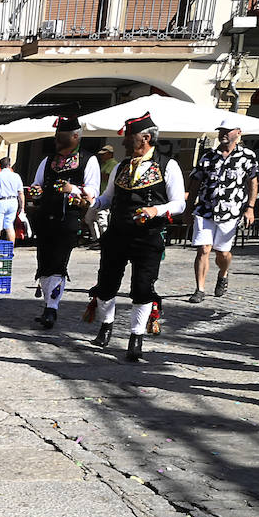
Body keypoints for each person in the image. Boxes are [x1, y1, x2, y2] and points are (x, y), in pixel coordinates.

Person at [86, 112, 186, 362]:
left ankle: (136, 336)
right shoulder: (121, 166)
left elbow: (179, 204)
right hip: (117, 233)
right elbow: (107, 198)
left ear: (145, 138)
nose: (123, 143)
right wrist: (90, 202)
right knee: (107, 284)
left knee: (142, 287)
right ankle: (106, 326)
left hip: (148, 235)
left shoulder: (167, 165)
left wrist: (156, 210)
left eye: (128, 138)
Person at [29, 116, 100, 329]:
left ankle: (52, 308)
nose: (57, 140)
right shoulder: (47, 160)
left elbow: (93, 191)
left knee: (59, 263)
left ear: (75, 136)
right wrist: (35, 190)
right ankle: (47, 305)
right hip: (45, 217)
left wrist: (74, 189)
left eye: (61, 136)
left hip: (68, 218)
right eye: (56, 136)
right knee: (44, 263)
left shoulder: (89, 160)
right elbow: (37, 183)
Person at [188, 120, 259, 304]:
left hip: (231, 212)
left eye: (228, 131)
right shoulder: (208, 156)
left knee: (223, 253)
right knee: (203, 249)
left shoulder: (247, 156)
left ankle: (223, 273)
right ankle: (200, 289)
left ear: (238, 133)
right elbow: (195, 182)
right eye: (221, 131)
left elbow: (253, 183)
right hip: (205, 209)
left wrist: (250, 208)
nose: (223, 134)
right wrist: (188, 207)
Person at [0, 158, 25, 242]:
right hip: (13, 201)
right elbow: (21, 193)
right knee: (9, 226)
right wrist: (22, 207)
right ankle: (10, 250)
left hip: (0, 202)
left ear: (0, 166)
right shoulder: (16, 176)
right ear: (9, 165)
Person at [84, 145, 116, 242]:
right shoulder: (103, 164)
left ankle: (105, 241)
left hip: (105, 196)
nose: (102, 157)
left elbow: (108, 177)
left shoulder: (113, 164)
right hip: (97, 197)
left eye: (104, 154)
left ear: (110, 154)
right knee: (88, 218)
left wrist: (97, 175)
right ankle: (97, 240)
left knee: (102, 221)